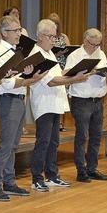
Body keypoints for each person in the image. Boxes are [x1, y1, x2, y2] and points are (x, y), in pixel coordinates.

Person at [0, 15, 44, 202]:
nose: (19, 33)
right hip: (8, 99)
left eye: (20, 29)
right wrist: (27, 79)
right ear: (4, 33)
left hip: (18, 98)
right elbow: (2, 81)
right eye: (15, 30)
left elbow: (14, 77)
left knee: (13, 144)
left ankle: (9, 182)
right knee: (6, 144)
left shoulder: (14, 50)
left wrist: (27, 74)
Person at [28, 19, 90, 191]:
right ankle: (36, 177)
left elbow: (57, 73)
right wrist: (74, 79)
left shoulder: (49, 53)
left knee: (53, 142)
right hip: (45, 103)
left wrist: (74, 72)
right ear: (40, 36)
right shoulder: (36, 54)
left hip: (55, 103)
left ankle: (51, 175)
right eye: (51, 37)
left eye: (55, 37)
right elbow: (51, 81)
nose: (54, 40)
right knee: (43, 141)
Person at [65, 28, 107, 183]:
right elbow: (67, 75)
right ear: (85, 41)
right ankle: (81, 170)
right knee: (82, 136)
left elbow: (105, 77)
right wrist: (87, 71)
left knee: (96, 136)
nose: (96, 48)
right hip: (82, 101)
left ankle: (92, 168)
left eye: (98, 44)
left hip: (98, 100)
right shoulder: (75, 56)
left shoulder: (101, 54)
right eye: (93, 44)